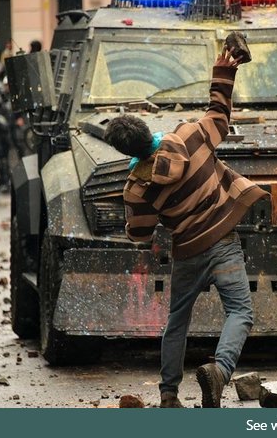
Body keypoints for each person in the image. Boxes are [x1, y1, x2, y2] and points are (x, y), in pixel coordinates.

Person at [104, 48, 267, 408]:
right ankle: (220, 372)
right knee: (240, 312)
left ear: (123, 150)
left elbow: (140, 234)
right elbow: (220, 113)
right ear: (148, 129)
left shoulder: (135, 186)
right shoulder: (190, 136)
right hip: (223, 241)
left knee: (177, 320)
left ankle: (168, 394)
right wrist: (223, 71)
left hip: (188, 252)